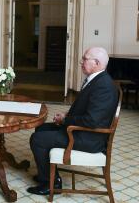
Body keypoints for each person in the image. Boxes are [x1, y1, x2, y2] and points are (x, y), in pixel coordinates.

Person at [27, 47, 118, 195]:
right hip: (81, 130)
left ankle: (50, 184)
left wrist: (65, 120)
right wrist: (65, 115)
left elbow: (92, 121)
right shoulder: (96, 80)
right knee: (41, 128)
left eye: (85, 58)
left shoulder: (104, 86)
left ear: (96, 63)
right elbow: (86, 111)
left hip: (89, 137)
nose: (81, 62)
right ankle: (49, 175)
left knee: (37, 139)